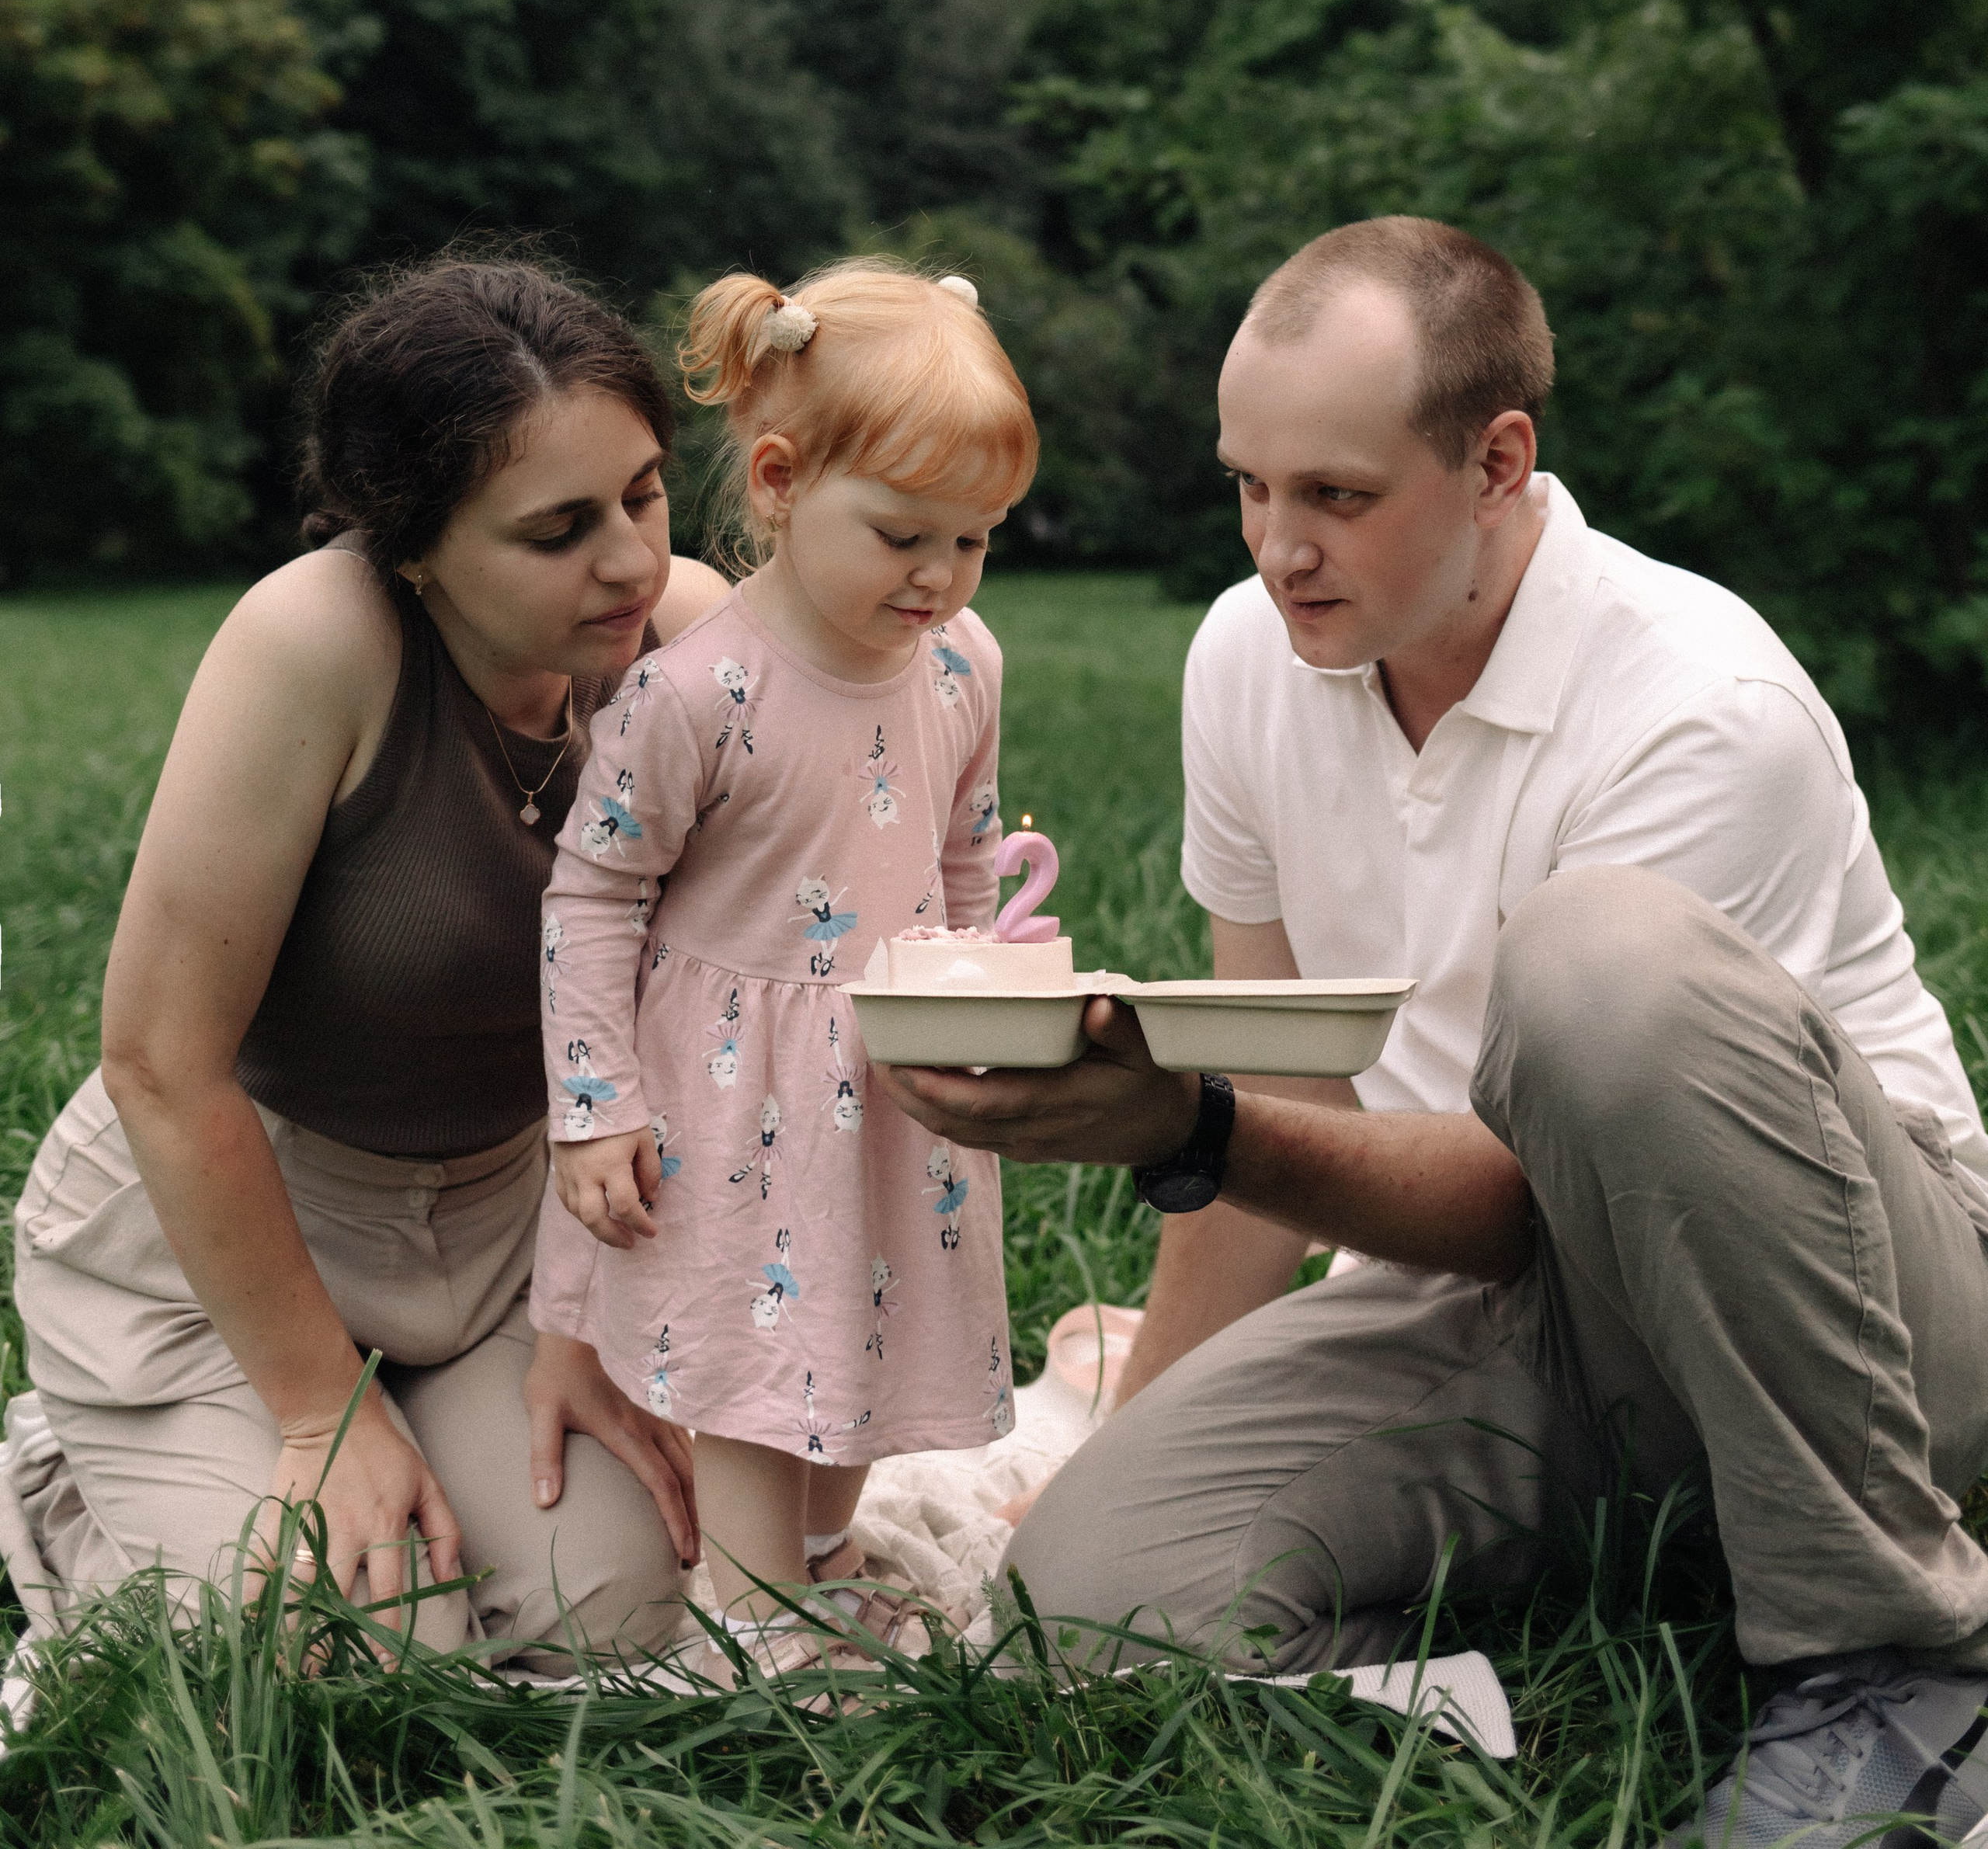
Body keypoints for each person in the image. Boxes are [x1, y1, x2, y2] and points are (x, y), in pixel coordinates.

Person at [875, 218, 1988, 1849]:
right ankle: (1561, 1676)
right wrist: (1140, 1428)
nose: (1277, 546)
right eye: (1246, 486)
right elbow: (1276, 1079)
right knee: (1090, 1611)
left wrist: (1183, 1132)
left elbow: (1480, 1176)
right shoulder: (1247, 660)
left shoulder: (1696, 706)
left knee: (1591, 961)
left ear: (1495, 462)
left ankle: (1893, 1664)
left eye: (1336, 495)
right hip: (1509, 1311)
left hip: (1853, 1317)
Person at [11, 252, 726, 1664]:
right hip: (223, 1255)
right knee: (357, 1656)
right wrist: (315, 1410)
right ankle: (65, 1488)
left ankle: (404, 1445)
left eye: (643, 494)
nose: (634, 559)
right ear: (413, 547)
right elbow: (161, 1062)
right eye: (559, 528)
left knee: (627, 1611)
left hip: (509, 1242)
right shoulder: (315, 643)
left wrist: (587, 1323)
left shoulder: (686, 649)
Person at [534, 259, 1037, 1687]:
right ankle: (752, 1633)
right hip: (729, 1095)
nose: (939, 576)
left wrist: (976, 1001)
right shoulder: (699, 690)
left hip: (885, 1072)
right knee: (767, 1366)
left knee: (865, 1334)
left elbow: (963, 851)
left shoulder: (961, 665)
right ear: (776, 480)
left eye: (976, 540)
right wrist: (595, 1104)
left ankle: (820, 1562)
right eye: (902, 535)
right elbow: (592, 896)